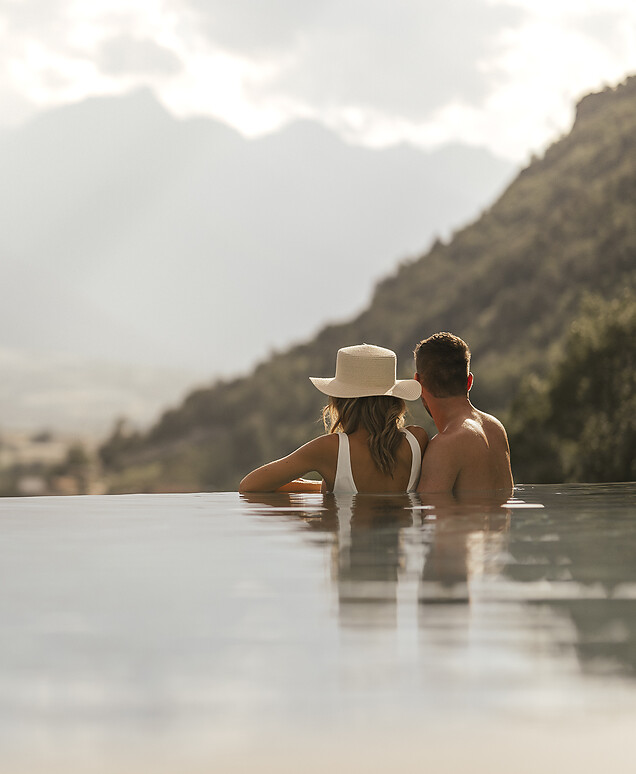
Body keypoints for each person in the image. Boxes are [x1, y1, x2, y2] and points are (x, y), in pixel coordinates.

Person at [239, 344, 428, 493]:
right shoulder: (417, 440)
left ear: (340, 401)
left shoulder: (329, 449)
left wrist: (325, 486)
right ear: (394, 400)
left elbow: (249, 485)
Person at [414, 332, 513, 496]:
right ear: (469, 381)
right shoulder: (496, 428)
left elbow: (431, 518)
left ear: (418, 383)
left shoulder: (445, 446)